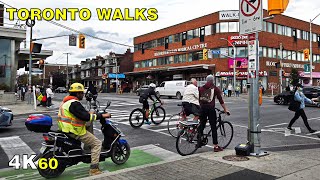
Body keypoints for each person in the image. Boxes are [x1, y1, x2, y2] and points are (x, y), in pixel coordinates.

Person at [57, 83, 110, 176]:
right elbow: (85, 116)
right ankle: (94, 169)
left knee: (89, 124)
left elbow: (79, 114)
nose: (83, 95)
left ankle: (87, 147)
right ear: (77, 93)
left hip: (66, 128)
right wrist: (101, 115)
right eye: (82, 93)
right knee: (97, 144)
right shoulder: (74, 103)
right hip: (74, 131)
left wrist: (90, 113)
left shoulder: (65, 102)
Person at [198, 75, 230, 152]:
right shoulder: (215, 88)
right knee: (213, 127)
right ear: (212, 80)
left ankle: (199, 141)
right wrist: (225, 109)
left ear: (206, 80)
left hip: (202, 108)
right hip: (210, 109)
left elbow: (199, 99)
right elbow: (220, 100)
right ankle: (215, 146)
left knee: (202, 125)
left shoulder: (201, 88)